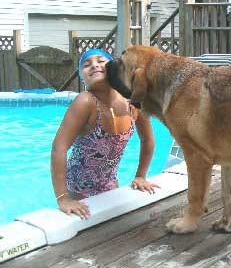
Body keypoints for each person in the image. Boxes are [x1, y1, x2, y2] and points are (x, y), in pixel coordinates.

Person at [51, 49, 159, 219]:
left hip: (110, 184)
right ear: (82, 77)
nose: (94, 65)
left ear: (114, 68)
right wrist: (62, 198)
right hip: (78, 190)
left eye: (101, 61)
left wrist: (140, 176)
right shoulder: (85, 101)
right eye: (86, 65)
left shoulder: (132, 100)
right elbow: (59, 147)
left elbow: (148, 140)